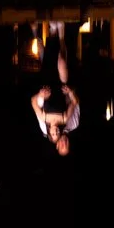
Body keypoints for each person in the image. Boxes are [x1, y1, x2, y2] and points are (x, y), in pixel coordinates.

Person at [29, 21, 80, 155]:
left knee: (47, 56)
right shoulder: (67, 121)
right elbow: (75, 102)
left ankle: (48, 29)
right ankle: (60, 30)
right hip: (61, 86)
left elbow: (34, 102)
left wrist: (41, 95)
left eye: (62, 146)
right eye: (66, 145)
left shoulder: (44, 123)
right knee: (61, 61)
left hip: (46, 86)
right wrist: (70, 92)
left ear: (56, 144)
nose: (56, 132)